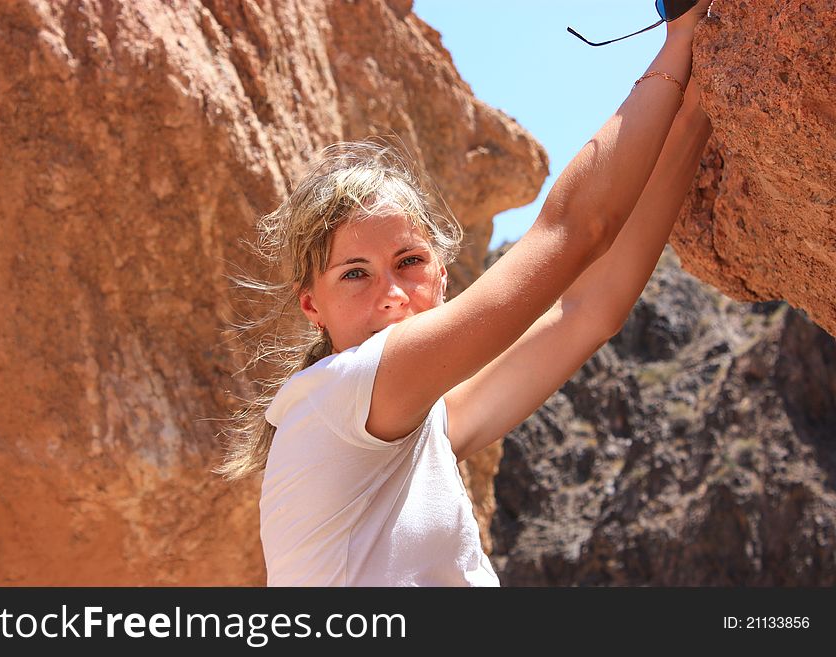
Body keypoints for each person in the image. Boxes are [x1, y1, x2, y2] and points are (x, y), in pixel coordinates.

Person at [215, 1, 715, 586]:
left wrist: (701, 103)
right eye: (355, 273)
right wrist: (681, 34)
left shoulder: (423, 423)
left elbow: (587, 312)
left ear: (444, 275)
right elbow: (579, 230)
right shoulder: (338, 393)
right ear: (311, 306)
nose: (393, 294)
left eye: (409, 262)